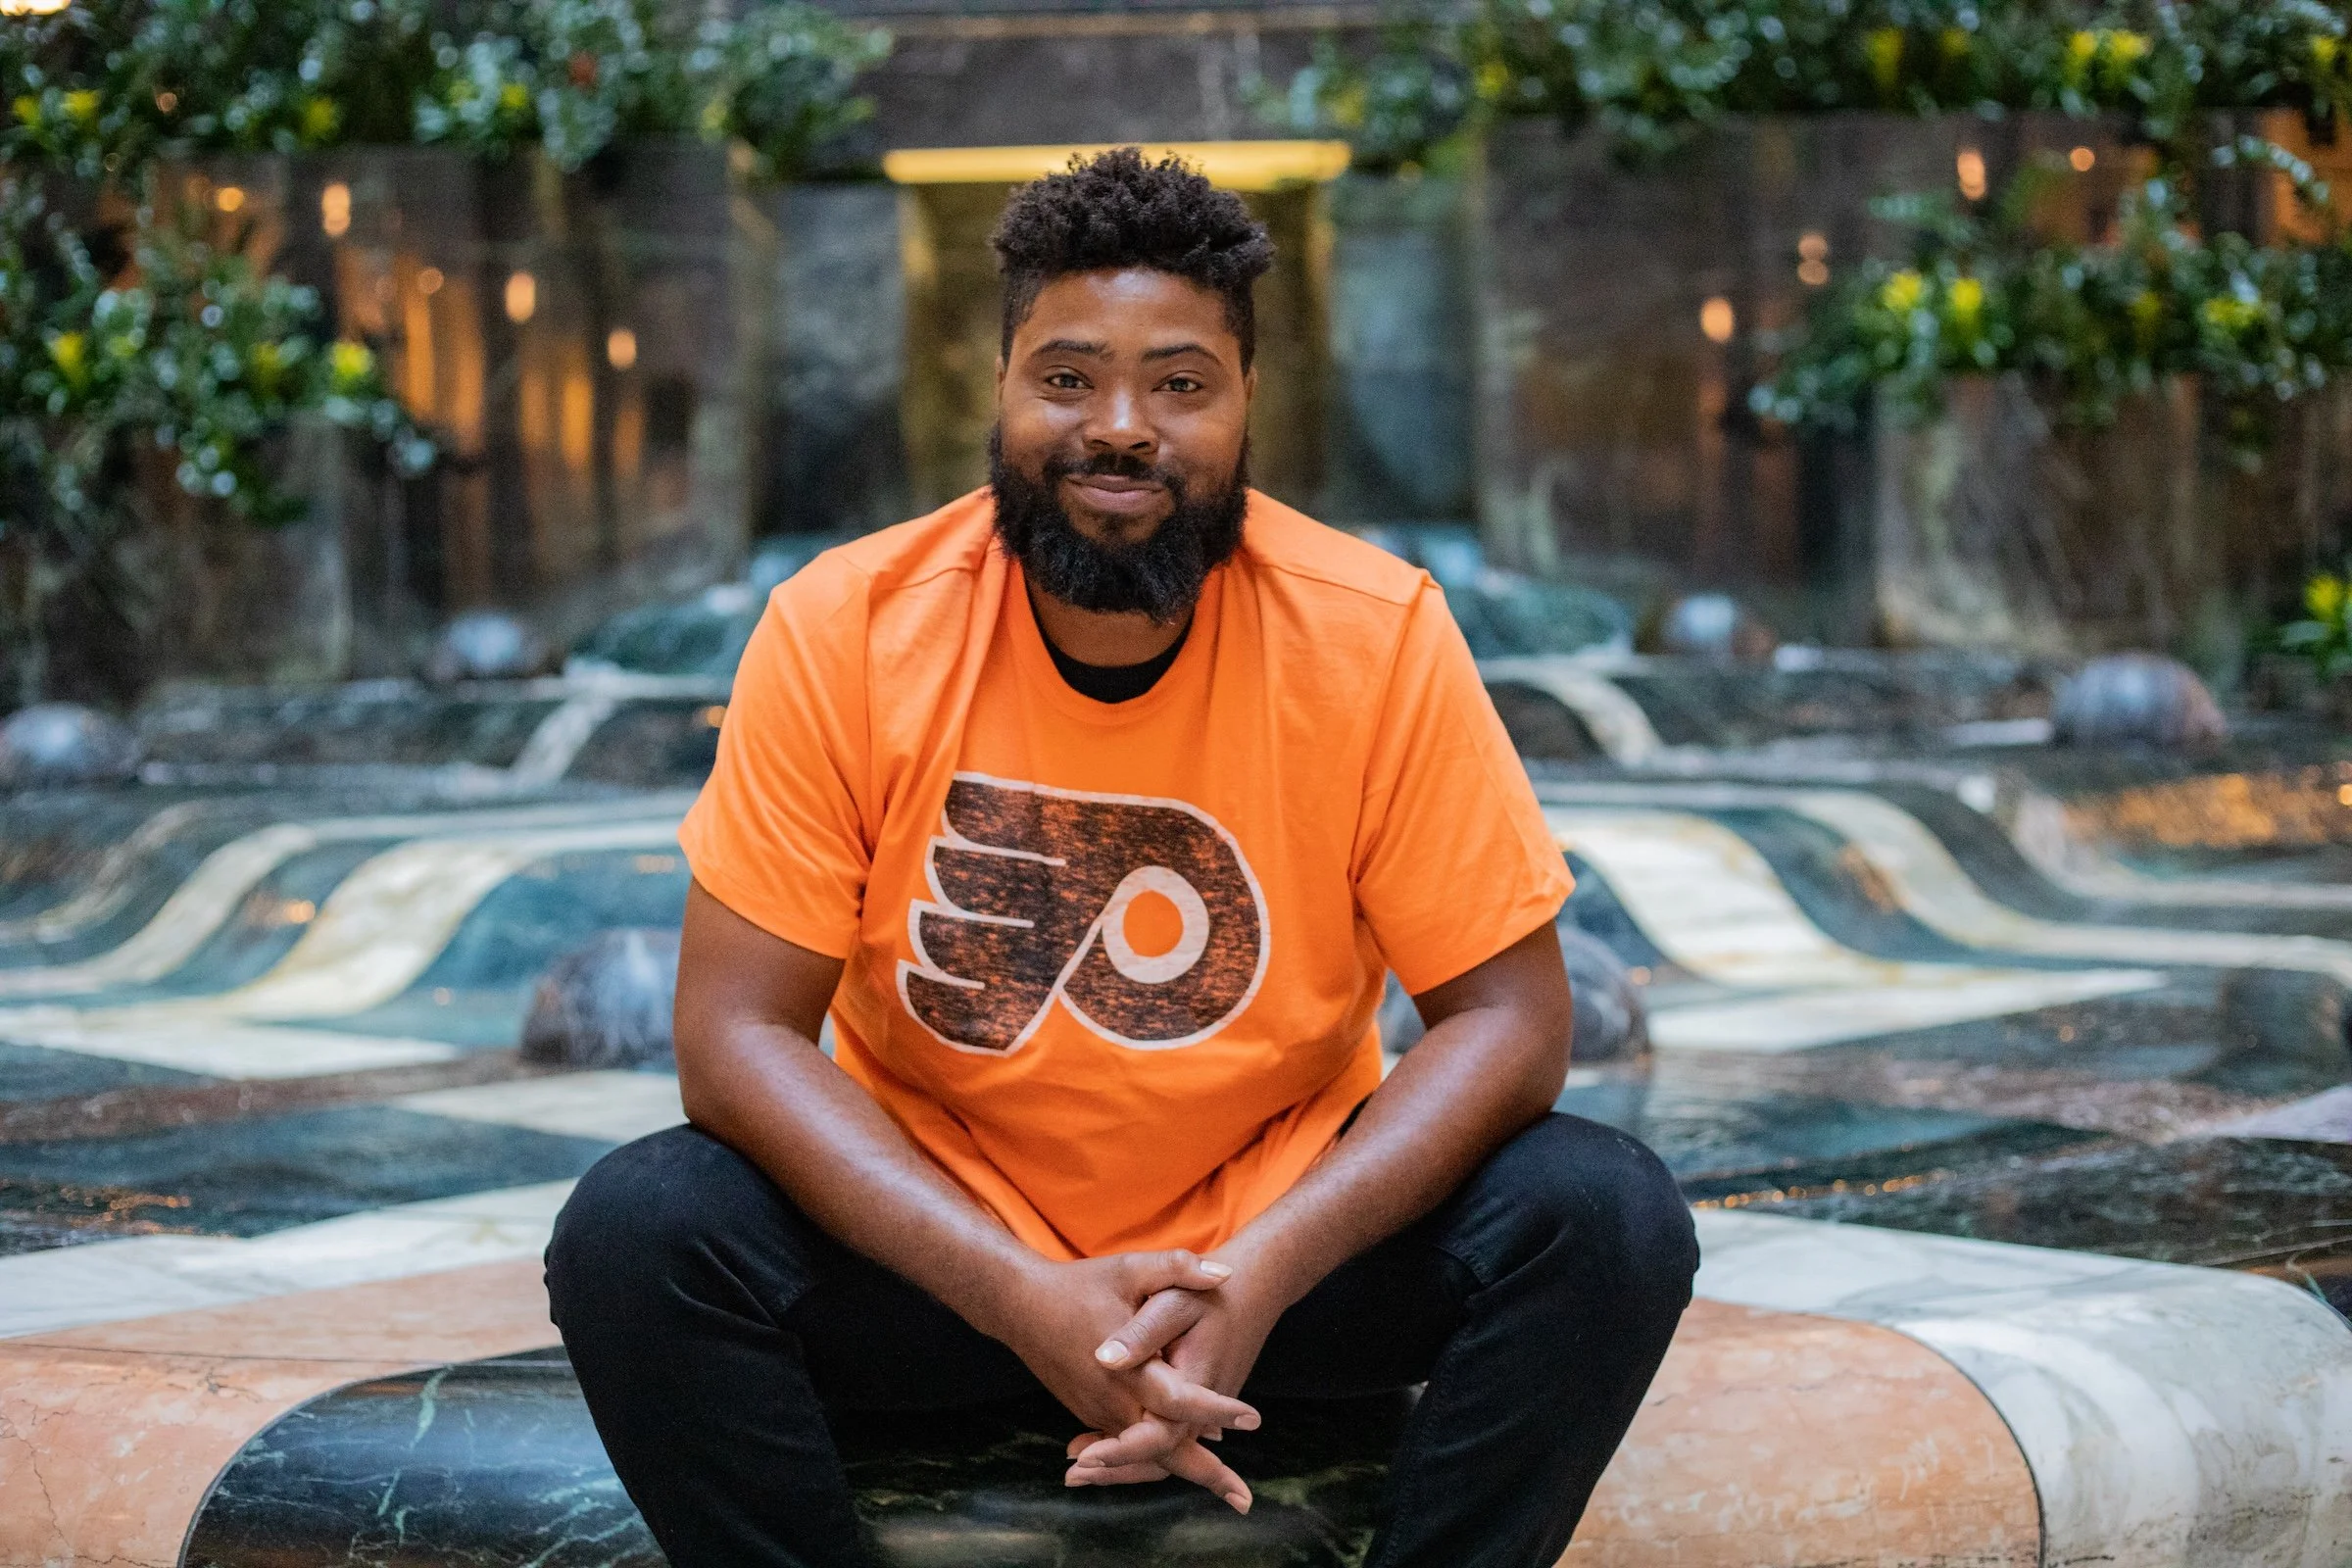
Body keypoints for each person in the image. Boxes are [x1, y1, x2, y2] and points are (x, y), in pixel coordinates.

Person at [546, 147, 1696, 1568]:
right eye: (1070, 376)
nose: (1122, 428)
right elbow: (730, 1039)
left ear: (1246, 402)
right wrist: (1026, 1294)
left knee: (1607, 1215)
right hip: (939, 1275)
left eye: (1181, 383)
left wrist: (1261, 1274)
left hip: (1273, 1288)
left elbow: (1513, 1021)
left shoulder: (1373, 630)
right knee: (638, 1233)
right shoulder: (843, 626)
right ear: (1005, 385)